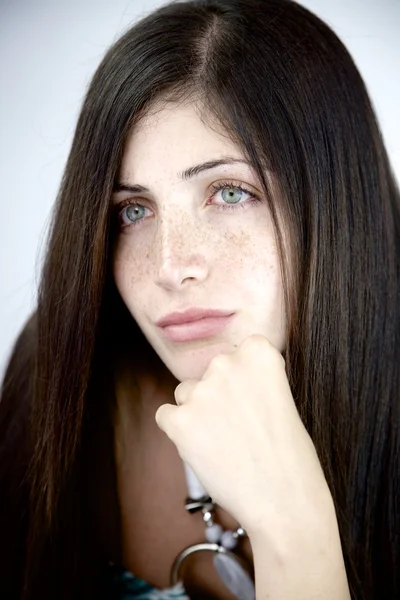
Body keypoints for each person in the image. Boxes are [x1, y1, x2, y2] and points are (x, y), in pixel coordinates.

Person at [0, 0, 399, 598]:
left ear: (337, 203)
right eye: (133, 210)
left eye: (230, 193)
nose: (169, 267)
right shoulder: (67, 378)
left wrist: (294, 531)